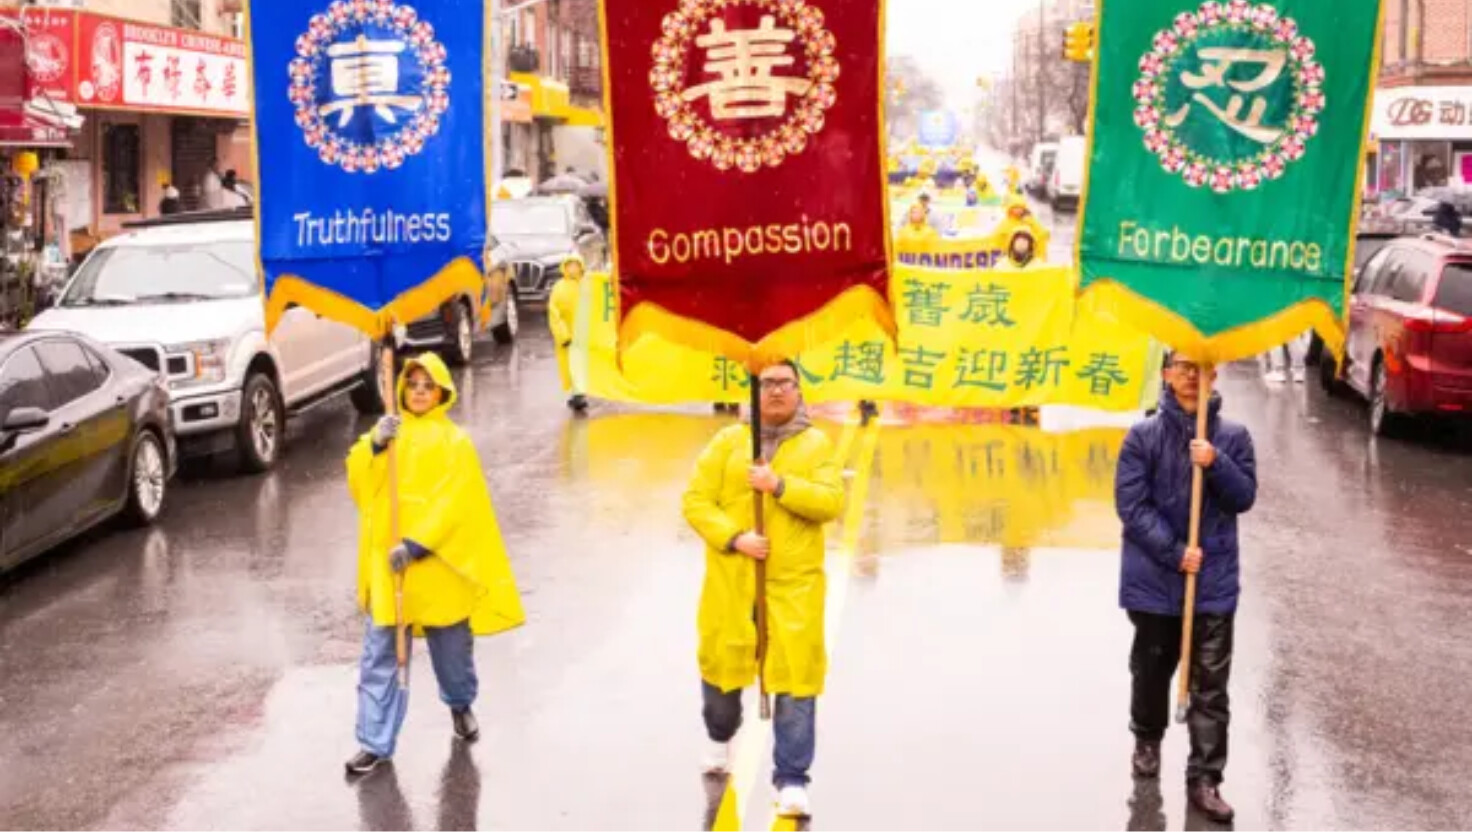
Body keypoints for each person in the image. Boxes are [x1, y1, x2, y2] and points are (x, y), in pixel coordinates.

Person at [344, 354, 526, 776]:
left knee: (452, 652)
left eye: (428, 385)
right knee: (379, 655)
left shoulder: (456, 442)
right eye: (413, 384)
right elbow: (359, 480)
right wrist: (373, 444)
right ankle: (374, 741)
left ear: (442, 390)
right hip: (391, 570)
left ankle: (460, 705)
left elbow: (457, 503)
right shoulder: (389, 434)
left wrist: (416, 544)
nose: (420, 391)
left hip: (438, 567)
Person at [682, 361, 844, 819]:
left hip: (793, 586)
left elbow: (831, 501)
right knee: (723, 676)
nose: (776, 391)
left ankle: (792, 777)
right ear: (753, 392)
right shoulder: (728, 442)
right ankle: (719, 736)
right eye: (767, 383)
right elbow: (695, 501)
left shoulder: (816, 446)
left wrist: (780, 486)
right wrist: (735, 538)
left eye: (785, 383)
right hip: (734, 582)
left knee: (795, 680)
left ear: (798, 391)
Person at [1115, 353, 1256, 824]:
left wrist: (1214, 462)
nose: (1192, 376)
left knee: (1211, 686)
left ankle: (1206, 778)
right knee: (1153, 669)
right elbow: (1131, 507)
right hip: (1155, 582)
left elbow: (1244, 497)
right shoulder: (1143, 437)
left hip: (1213, 586)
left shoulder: (1233, 438)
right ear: (1165, 373)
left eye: (1202, 366)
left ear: (1215, 373)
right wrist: (1176, 552)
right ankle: (1147, 739)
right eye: (1182, 366)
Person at [548, 253, 589, 412]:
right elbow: (553, 313)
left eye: (576, 265)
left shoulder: (587, 286)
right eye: (569, 265)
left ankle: (579, 394)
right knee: (570, 366)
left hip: (584, 336)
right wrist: (562, 335)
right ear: (564, 268)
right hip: (568, 338)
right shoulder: (559, 288)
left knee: (582, 365)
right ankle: (577, 394)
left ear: (581, 267)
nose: (573, 269)